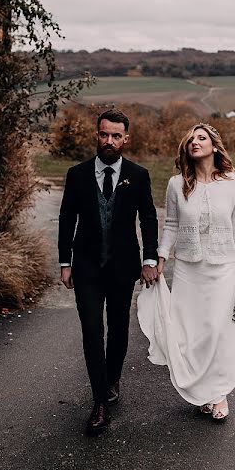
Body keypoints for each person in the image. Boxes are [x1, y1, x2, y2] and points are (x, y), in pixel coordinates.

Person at [57, 108, 159, 435]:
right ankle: (99, 401)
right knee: (91, 329)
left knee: (117, 330)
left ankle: (113, 378)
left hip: (122, 266)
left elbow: (149, 219)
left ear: (126, 139)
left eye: (116, 136)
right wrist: (64, 262)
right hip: (86, 265)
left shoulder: (138, 175)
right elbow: (65, 220)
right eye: (104, 134)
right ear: (96, 135)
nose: (109, 141)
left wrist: (150, 260)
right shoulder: (77, 175)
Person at [147, 123, 235, 421]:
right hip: (188, 268)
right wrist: (160, 257)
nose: (195, 142)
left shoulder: (233, 181)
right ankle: (202, 392)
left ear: (214, 145)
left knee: (218, 329)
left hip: (221, 267)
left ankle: (219, 393)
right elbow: (171, 224)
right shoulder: (176, 184)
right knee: (190, 331)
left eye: (201, 138)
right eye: (191, 140)